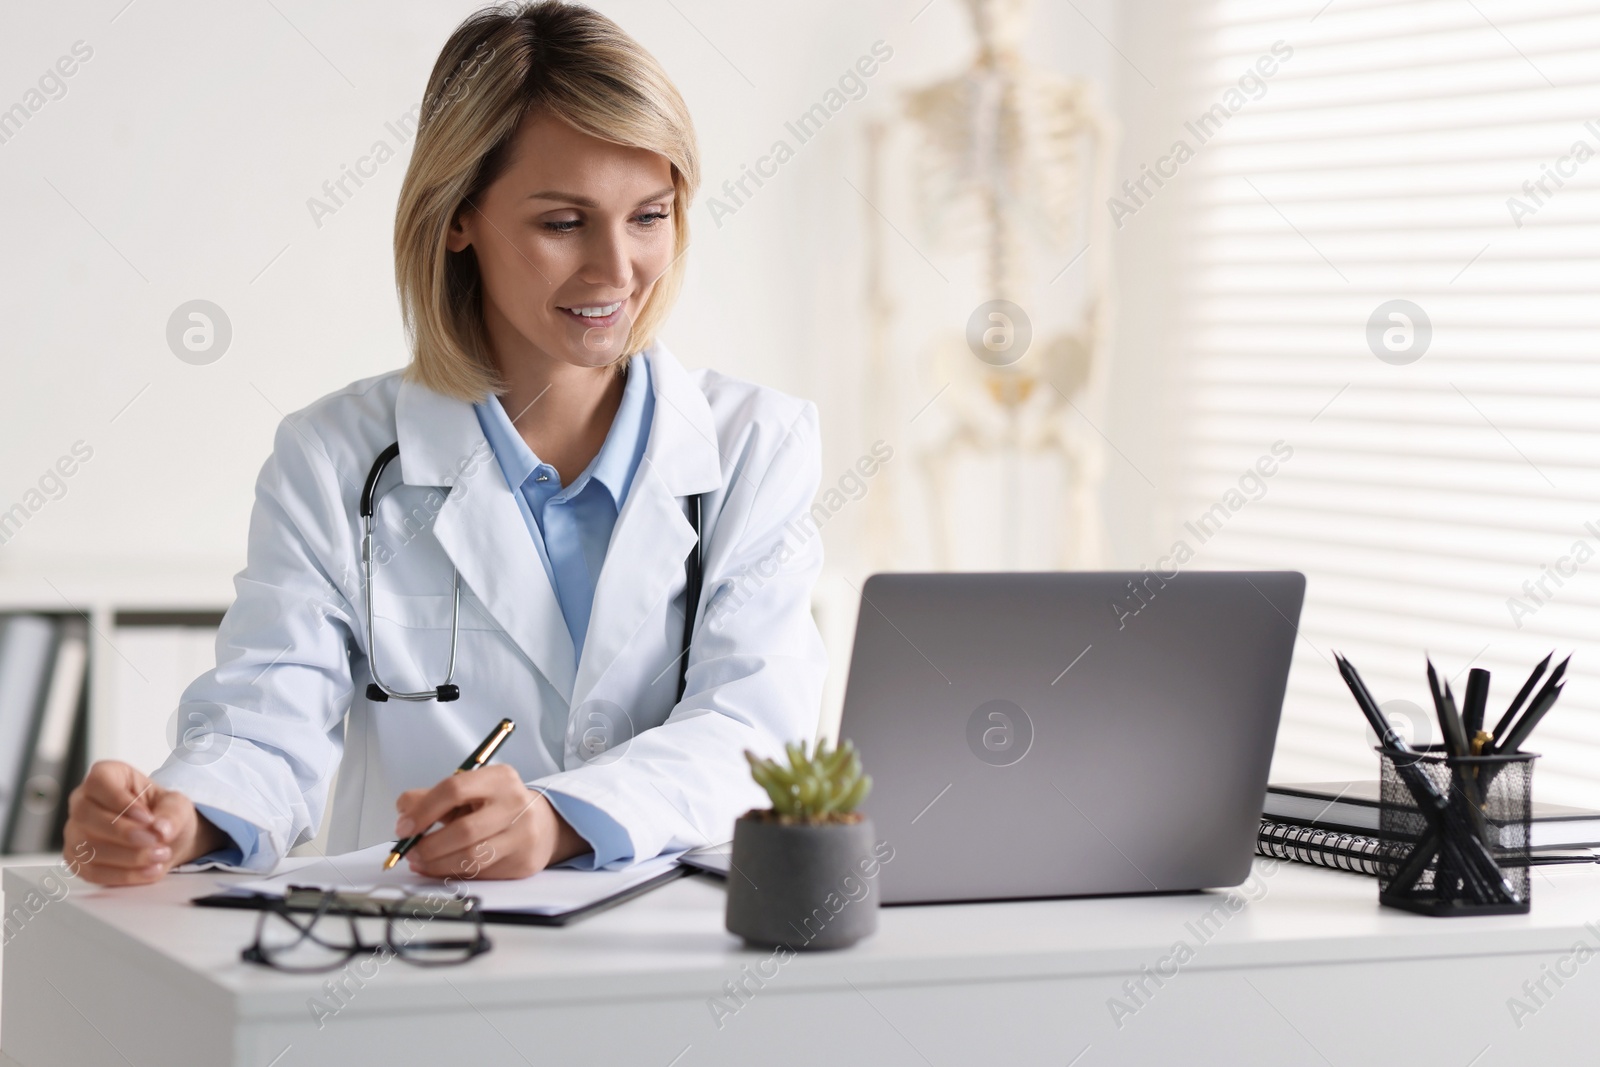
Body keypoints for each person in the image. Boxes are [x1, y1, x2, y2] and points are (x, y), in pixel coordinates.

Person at [63, 1, 826, 885]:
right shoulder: (332, 459)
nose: (617, 269)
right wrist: (175, 816)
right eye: (562, 223)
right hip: (411, 964)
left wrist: (558, 820)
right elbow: (266, 724)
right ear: (459, 215)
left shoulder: (755, 446)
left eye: (649, 216)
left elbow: (755, 726)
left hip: (665, 964)